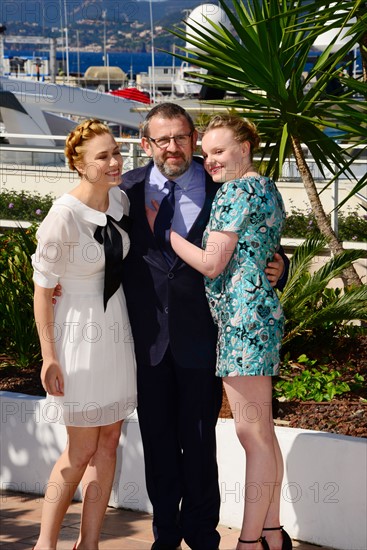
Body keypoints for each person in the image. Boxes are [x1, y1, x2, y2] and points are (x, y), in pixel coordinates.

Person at [120, 103, 289, 550]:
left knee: (201, 444)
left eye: (182, 137)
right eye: (163, 139)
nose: (174, 147)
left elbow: (255, 240)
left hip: (210, 334)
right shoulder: (128, 189)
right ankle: (166, 535)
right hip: (150, 338)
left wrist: (281, 265)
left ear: (193, 138)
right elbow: (104, 249)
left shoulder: (222, 180)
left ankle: (202, 534)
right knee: (158, 443)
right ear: (146, 144)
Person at [32, 119, 137, 550]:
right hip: (78, 334)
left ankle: (89, 543)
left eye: (116, 152)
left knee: (109, 441)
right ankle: (45, 544)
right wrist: (48, 356)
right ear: (78, 164)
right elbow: (42, 292)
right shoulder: (63, 216)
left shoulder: (121, 200)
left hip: (117, 328)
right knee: (79, 452)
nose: (115, 162)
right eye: (103, 156)